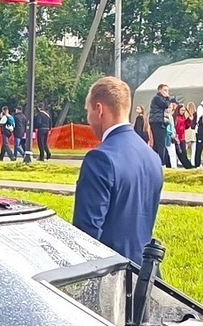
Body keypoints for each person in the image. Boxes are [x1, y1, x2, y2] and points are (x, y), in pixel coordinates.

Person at [71, 77, 163, 263]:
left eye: (88, 111)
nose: (88, 119)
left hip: (110, 271)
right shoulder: (152, 157)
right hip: (143, 269)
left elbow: (86, 234)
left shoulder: (100, 158)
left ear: (99, 109)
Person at [148, 84, 173, 168]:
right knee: (161, 144)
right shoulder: (157, 98)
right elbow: (165, 105)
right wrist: (168, 98)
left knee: (157, 144)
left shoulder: (161, 99)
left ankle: (154, 162)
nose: (167, 92)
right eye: (165, 90)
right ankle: (162, 164)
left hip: (161, 122)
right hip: (157, 122)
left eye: (168, 90)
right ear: (160, 90)